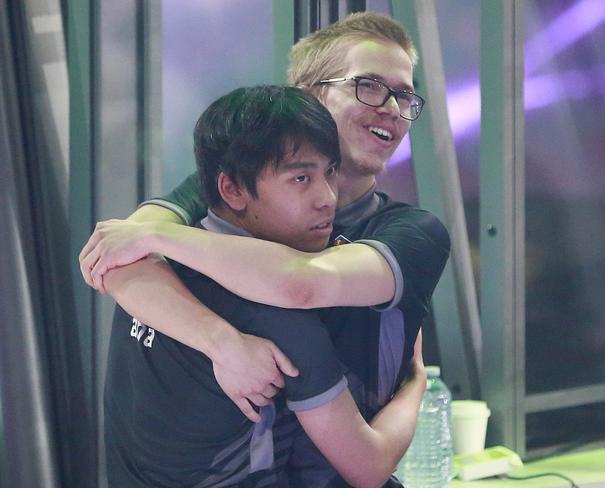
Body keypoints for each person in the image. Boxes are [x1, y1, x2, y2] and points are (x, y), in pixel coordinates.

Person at [81, 11, 450, 487]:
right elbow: (115, 259)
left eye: (404, 95)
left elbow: (300, 281)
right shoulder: (234, 191)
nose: (391, 108)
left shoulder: (410, 231)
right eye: (369, 86)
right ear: (311, 94)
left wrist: (158, 236)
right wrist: (223, 344)